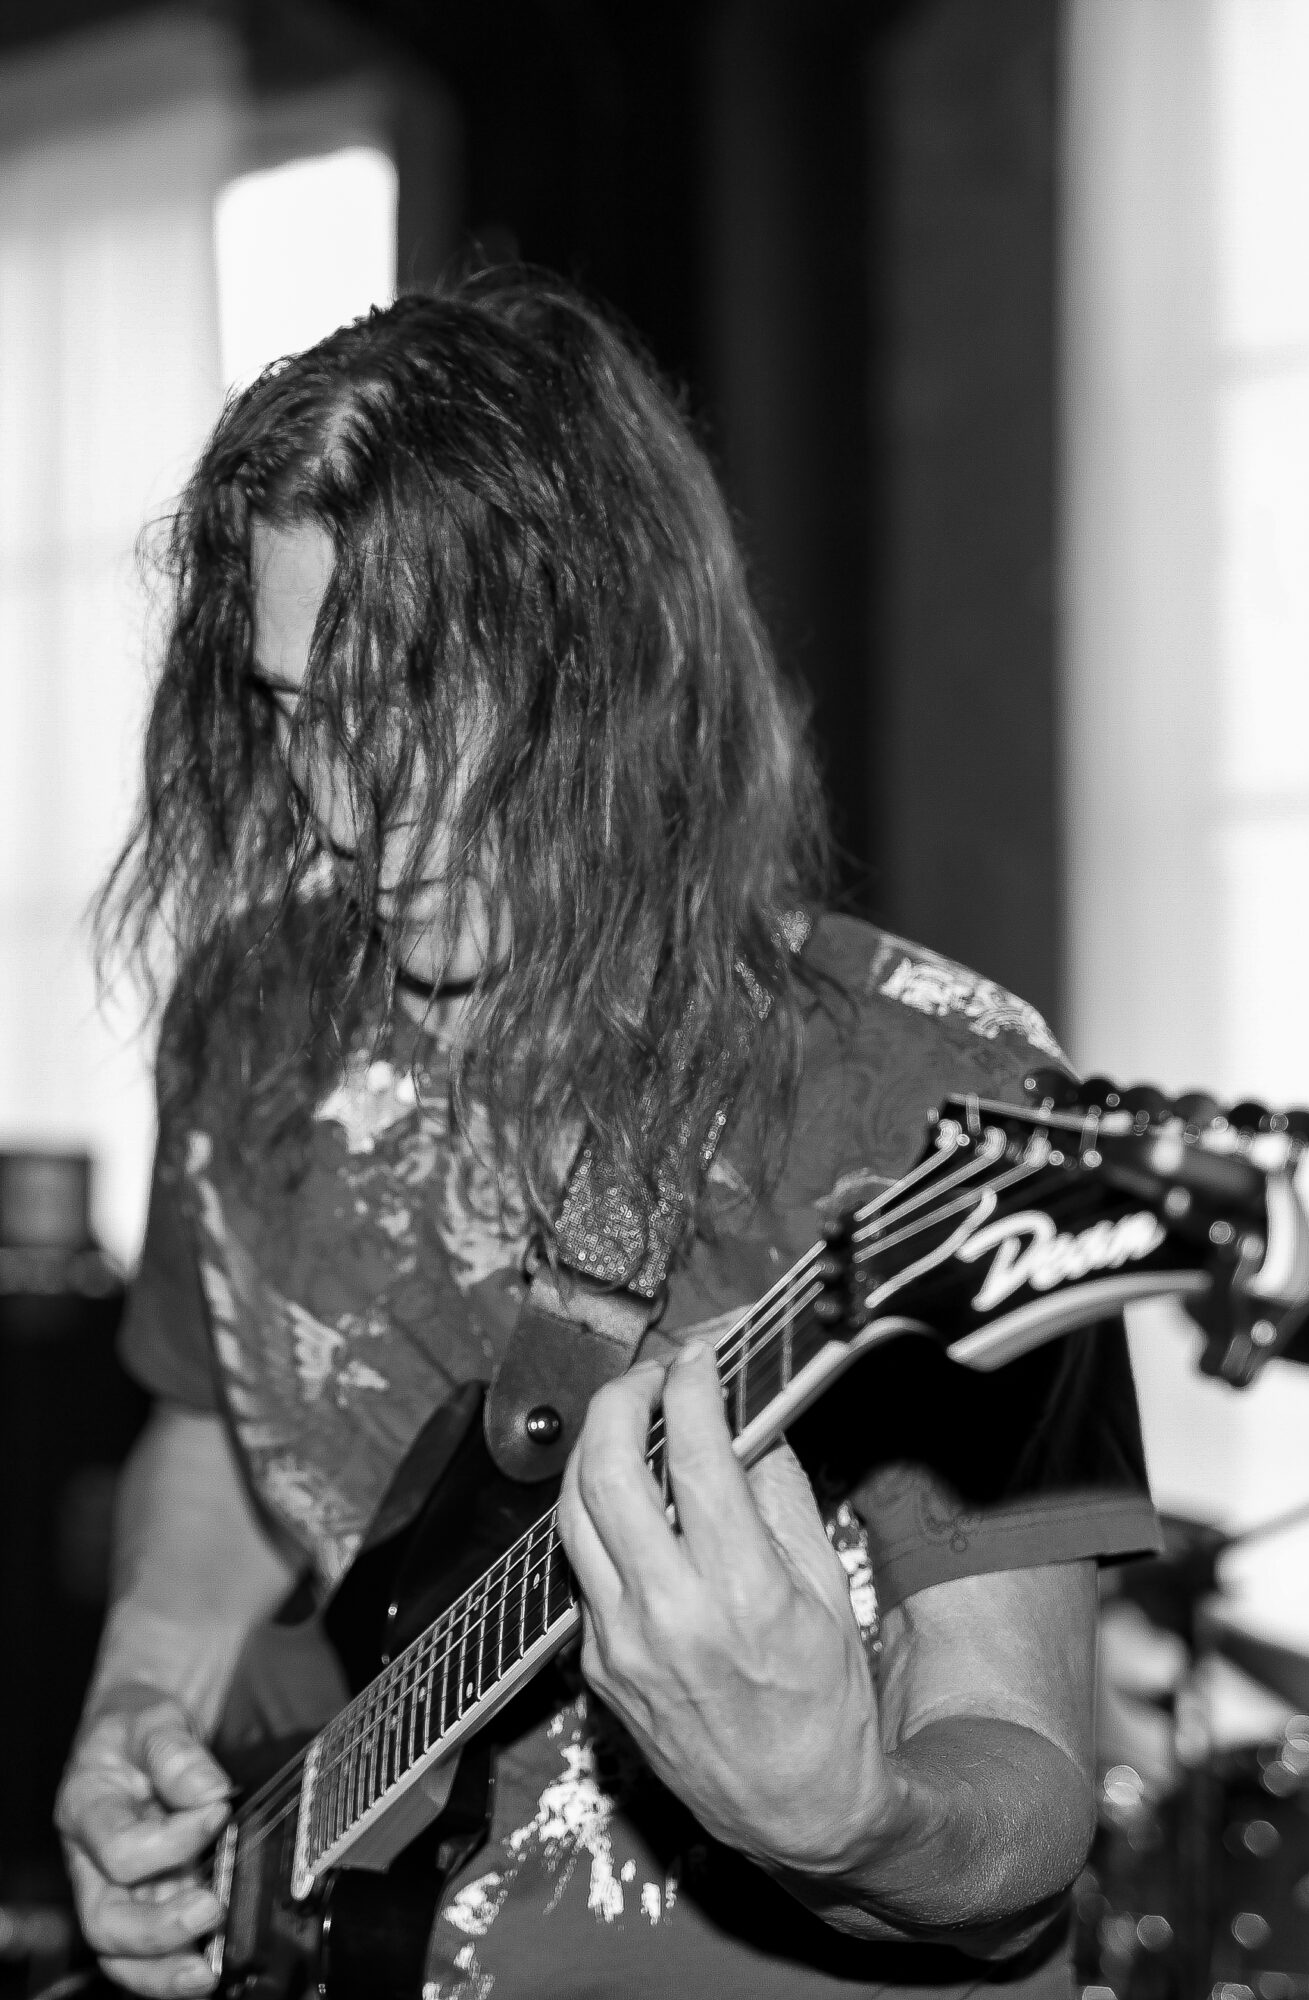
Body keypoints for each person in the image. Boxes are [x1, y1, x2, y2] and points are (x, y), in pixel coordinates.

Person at [56, 274, 1160, 2000]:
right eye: (295, 709)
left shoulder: (933, 1101)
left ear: (616, 670)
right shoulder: (250, 1017)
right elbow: (215, 1422)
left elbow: (1016, 1818)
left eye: (412, 701)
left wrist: (851, 1824)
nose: (342, 808)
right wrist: (144, 1682)